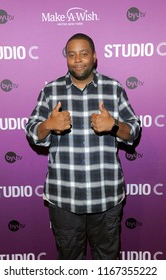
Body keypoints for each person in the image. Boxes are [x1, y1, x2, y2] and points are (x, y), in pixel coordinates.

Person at [25, 33, 140, 260]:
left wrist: (114, 126)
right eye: (72, 54)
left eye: (84, 53)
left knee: (107, 263)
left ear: (94, 57)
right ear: (66, 58)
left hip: (106, 197)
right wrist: (48, 124)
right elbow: (32, 130)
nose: (78, 59)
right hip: (64, 199)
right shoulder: (50, 91)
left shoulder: (113, 88)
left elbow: (134, 130)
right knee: (70, 263)